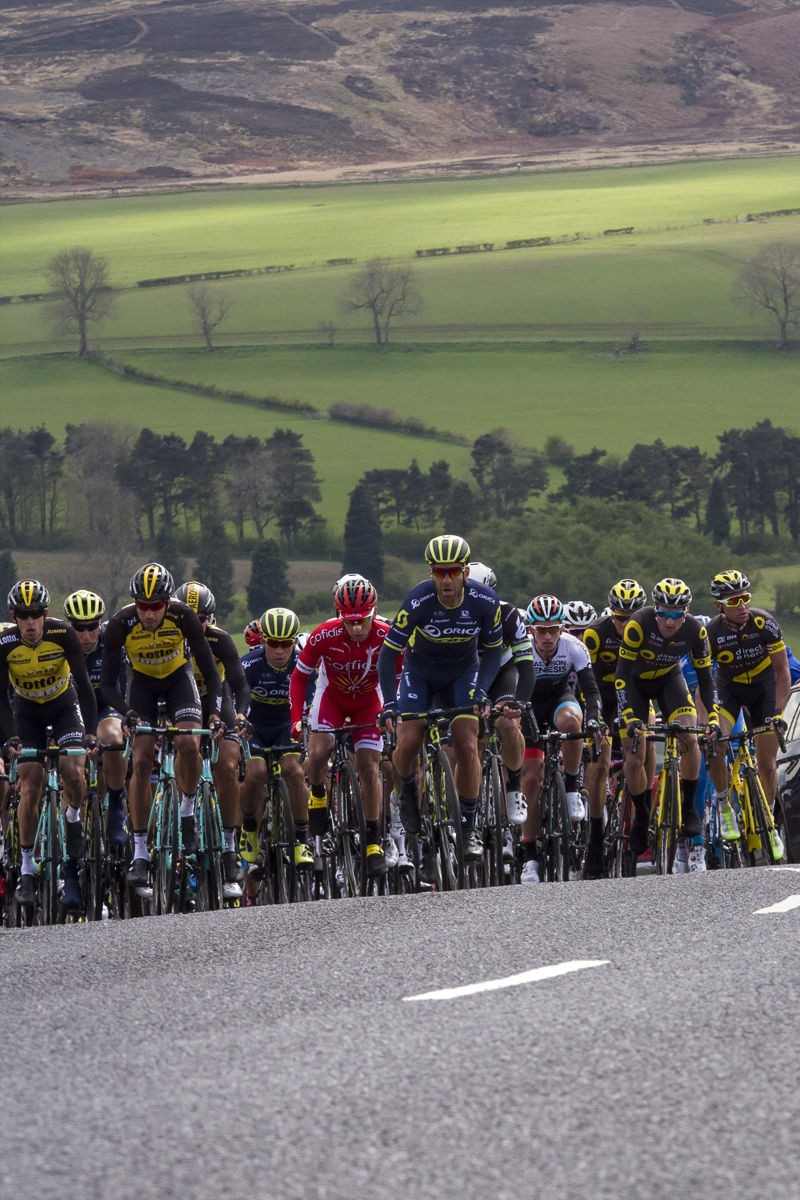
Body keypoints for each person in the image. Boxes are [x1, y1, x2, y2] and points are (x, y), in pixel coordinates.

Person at [377, 535, 503, 864]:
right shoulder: (418, 600)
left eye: (453, 572)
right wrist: (390, 703)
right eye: (439, 572)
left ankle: (468, 827)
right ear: (431, 572)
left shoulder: (484, 601)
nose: (446, 579)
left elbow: (492, 654)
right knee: (407, 742)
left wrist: (482, 690)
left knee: (467, 741)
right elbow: (387, 657)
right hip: (421, 674)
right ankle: (406, 789)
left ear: (464, 571)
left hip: (463, 673)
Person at [99, 563, 222, 887]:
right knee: (139, 761)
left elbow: (210, 673)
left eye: (155, 607)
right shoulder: (121, 623)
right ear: (134, 603)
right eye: (143, 606)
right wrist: (126, 712)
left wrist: (213, 715)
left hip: (179, 681)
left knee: (188, 744)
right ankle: (140, 853)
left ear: (168, 603)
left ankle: (186, 812)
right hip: (141, 686)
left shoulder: (184, 617)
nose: (149, 614)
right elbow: (108, 685)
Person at [0, 580, 97, 909]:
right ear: (14, 616)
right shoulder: (5, 643)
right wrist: (11, 737)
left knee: (73, 769)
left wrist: (92, 734)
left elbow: (83, 685)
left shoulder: (63, 635)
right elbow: (1, 697)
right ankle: (27, 868)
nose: (30, 623)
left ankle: (72, 818)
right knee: (30, 784)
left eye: (37, 614)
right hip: (27, 714)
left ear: (46, 614)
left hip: (64, 706)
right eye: (23, 615)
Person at [615, 577, 720, 873]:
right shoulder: (638, 623)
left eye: (678, 614)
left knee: (690, 734)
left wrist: (712, 716)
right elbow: (621, 675)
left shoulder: (695, 630)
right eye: (664, 613)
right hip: (635, 684)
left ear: (686, 612)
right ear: (655, 609)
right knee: (635, 753)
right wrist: (629, 716)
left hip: (668, 680)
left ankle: (688, 807)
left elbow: (706, 678)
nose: (670, 621)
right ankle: (643, 810)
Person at [291, 577, 392, 876]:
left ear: (374, 612)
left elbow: (399, 676)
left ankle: (373, 842)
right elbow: (299, 678)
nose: (357, 628)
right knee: (319, 751)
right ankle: (319, 792)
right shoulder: (324, 635)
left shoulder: (387, 635)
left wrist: (392, 710)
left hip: (368, 702)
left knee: (369, 768)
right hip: (331, 697)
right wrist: (298, 717)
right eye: (350, 622)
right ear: (338, 615)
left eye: (362, 621)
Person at [705, 570, 789, 859]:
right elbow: (704, 681)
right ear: (719, 606)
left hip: (764, 690)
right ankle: (724, 805)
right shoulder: (712, 633)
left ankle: (768, 824)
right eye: (734, 600)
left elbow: (782, 672)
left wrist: (777, 713)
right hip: (729, 690)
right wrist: (711, 721)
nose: (742, 605)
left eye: (746, 598)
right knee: (716, 743)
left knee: (767, 764)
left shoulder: (764, 622)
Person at [518, 594, 602, 883]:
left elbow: (590, 690)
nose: (547, 636)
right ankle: (530, 857)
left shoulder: (574, 647)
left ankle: (570, 787)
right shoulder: (521, 648)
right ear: (531, 629)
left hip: (558, 699)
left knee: (572, 721)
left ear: (562, 628)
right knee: (530, 778)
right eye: (541, 629)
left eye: (553, 629)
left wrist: (594, 717)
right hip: (527, 706)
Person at [175, 582, 250, 895]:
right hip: (181, 703)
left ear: (212, 619)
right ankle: (184, 809)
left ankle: (230, 846)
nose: (197, 625)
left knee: (227, 765)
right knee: (183, 751)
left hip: (217, 702)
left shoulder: (219, 640)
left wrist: (242, 715)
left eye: (203, 618)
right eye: (190, 618)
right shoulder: (167, 641)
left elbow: (239, 685)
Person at [581, 579, 656, 879]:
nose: (625, 624)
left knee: (642, 742)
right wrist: (593, 718)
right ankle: (596, 837)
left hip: (635, 694)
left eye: (631, 617)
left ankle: (642, 810)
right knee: (599, 765)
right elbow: (585, 682)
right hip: (602, 697)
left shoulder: (652, 631)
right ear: (611, 613)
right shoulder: (596, 634)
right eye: (619, 618)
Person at [239, 607, 312, 878]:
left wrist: (309, 721)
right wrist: (240, 719)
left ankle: (301, 840)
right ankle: (249, 829)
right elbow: (241, 697)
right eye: (273, 643)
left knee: (294, 771)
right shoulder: (250, 664)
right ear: (263, 641)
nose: (280, 651)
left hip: (286, 726)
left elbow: (312, 697)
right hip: (256, 728)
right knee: (255, 773)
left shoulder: (303, 664)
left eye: (286, 644)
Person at [467, 562, 533, 825]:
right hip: (467, 674)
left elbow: (527, 667)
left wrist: (520, 703)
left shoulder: (508, 615)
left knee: (507, 721)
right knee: (470, 735)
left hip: (503, 671)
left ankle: (514, 786)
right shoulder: (451, 614)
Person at [63, 590, 128, 848]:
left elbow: (127, 686)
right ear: (69, 625)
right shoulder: (59, 644)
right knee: (73, 768)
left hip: (106, 707)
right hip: (72, 712)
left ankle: (115, 809)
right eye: (79, 628)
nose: (86, 635)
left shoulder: (112, 642)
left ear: (100, 623)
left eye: (92, 627)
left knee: (112, 738)